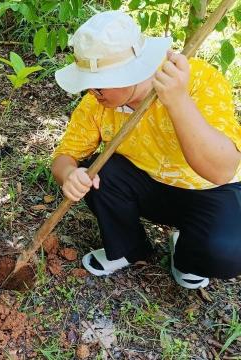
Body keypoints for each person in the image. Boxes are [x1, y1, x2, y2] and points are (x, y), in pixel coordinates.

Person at [52, 11, 241, 289]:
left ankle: (186, 253)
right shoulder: (97, 103)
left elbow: (221, 171)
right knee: (99, 172)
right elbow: (65, 156)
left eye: (99, 84)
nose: (91, 92)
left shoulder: (196, 80)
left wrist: (177, 101)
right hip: (144, 184)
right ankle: (129, 247)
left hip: (207, 190)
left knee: (227, 251)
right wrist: (69, 174)